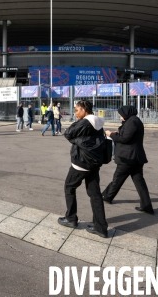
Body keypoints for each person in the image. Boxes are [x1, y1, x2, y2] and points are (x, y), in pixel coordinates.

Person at [58, 99, 109, 238]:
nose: (75, 113)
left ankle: (71, 218)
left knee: (69, 187)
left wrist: (76, 141)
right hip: (94, 163)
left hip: (81, 163)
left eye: (77, 110)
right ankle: (101, 227)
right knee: (95, 194)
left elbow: (68, 133)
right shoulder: (98, 122)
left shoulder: (86, 122)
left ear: (84, 109)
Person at [102, 105, 154, 214]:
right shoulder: (133, 120)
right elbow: (127, 135)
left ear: (126, 113)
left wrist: (110, 134)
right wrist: (117, 133)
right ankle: (147, 206)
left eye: (121, 115)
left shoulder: (132, 122)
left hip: (128, 157)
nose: (120, 117)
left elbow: (124, 139)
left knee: (117, 179)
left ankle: (107, 196)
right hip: (135, 157)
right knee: (139, 183)